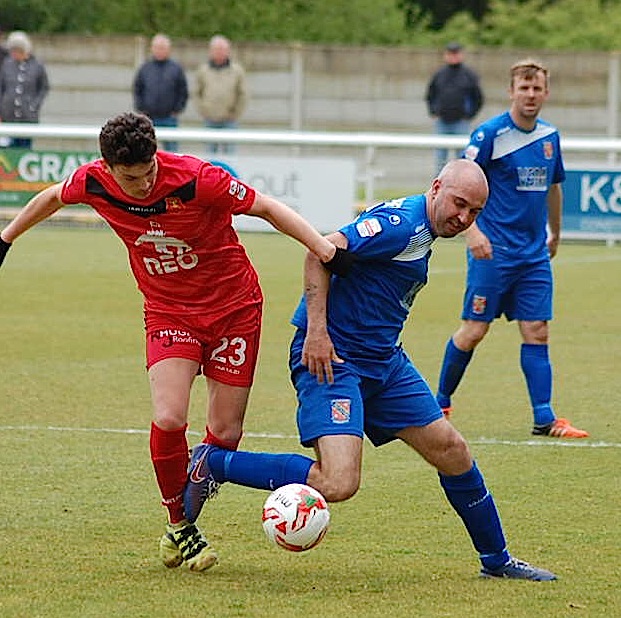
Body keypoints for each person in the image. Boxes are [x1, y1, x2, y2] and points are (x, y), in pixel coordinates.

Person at [0, 111, 345, 573]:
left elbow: (264, 206)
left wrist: (322, 247)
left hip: (234, 310)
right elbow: (50, 198)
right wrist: (6, 238)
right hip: (169, 313)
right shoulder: (94, 182)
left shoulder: (198, 179)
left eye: (149, 173)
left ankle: (179, 524)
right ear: (108, 168)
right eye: (131, 178)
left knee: (223, 436)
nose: (143, 185)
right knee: (167, 415)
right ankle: (181, 524)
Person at [182, 159, 558, 580]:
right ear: (436, 188)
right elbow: (319, 252)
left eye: (475, 212)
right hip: (333, 361)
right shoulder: (399, 224)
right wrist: (317, 333)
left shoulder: (424, 229)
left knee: (452, 451)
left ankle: (498, 562)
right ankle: (214, 464)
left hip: (385, 363)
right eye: (459, 204)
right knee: (338, 482)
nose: (464, 218)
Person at [435, 59, 589, 439]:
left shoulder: (550, 138)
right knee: (473, 331)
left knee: (537, 330)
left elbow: (554, 188)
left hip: (534, 254)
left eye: (537, 88)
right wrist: (472, 234)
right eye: (524, 87)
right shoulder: (489, 135)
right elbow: (457, 182)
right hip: (493, 252)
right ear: (511, 91)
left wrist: (556, 232)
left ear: (546, 93)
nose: (531, 94)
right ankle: (438, 404)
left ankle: (544, 417)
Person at [426, 42, 483, 173]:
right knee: (440, 159)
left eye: (455, 53)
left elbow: (478, 97)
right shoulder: (439, 74)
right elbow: (430, 94)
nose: (453, 56)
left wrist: (469, 115)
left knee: (462, 159)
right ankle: (438, 188)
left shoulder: (469, 75)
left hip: (461, 122)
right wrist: (434, 111)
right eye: (450, 53)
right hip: (442, 122)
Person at [133, 33, 188, 152]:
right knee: (146, 151)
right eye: (157, 47)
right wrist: (141, 109)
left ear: (169, 49)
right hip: (149, 118)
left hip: (169, 118)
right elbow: (138, 89)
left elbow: (183, 91)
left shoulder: (176, 69)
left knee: (172, 152)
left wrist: (177, 110)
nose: (160, 50)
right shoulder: (145, 68)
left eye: (162, 48)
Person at [196, 35, 247, 155]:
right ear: (211, 51)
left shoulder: (237, 71)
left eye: (222, 49)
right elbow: (197, 93)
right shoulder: (203, 71)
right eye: (216, 49)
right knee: (210, 156)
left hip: (229, 121)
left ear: (228, 51)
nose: (219, 52)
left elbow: (243, 94)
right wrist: (204, 111)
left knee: (230, 155)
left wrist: (235, 114)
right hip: (210, 120)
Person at [0, 30, 49, 149]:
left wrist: (34, 105)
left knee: (24, 147)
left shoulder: (37, 66)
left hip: (27, 116)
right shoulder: (7, 65)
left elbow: (43, 87)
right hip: (8, 116)